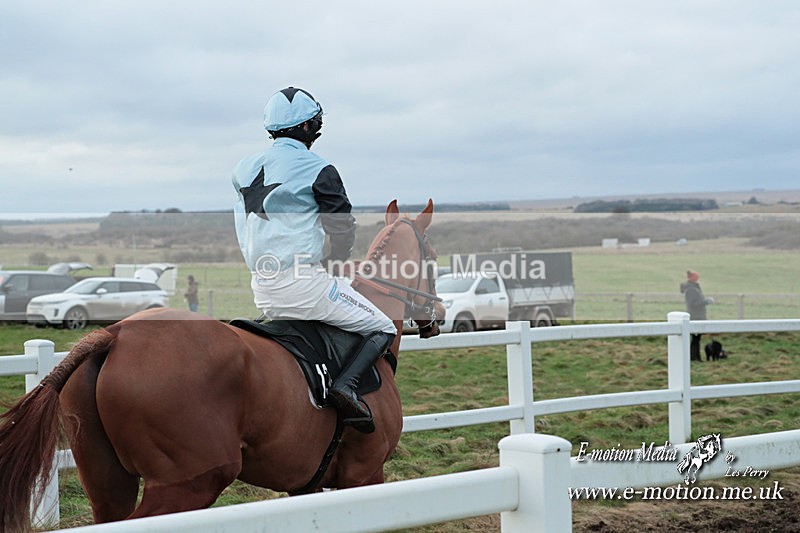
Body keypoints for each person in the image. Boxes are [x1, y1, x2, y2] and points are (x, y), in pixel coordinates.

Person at [231, 87, 396, 433]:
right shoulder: (320, 168)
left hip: (262, 286)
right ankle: (345, 387)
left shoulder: (243, 169)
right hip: (304, 285)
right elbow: (341, 226)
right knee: (384, 327)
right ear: (309, 127)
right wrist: (336, 261)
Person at [680, 270, 712, 362]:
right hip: (696, 316)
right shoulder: (691, 289)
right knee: (696, 338)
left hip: (697, 315)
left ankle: (695, 357)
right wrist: (705, 302)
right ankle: (694, 357)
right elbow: (692, 304)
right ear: (692, 277)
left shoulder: (692, 288)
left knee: (696, 338)